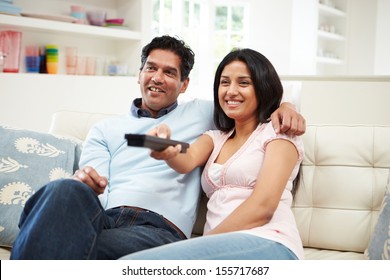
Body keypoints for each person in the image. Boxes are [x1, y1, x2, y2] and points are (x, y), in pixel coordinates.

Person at [10, 36, 305, 260]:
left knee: (63, 246)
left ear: (184, 84)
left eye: (169, 72)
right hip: (106, 217)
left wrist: (286, 107)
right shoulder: (105, 129)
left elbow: (255, 98)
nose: (158, 78)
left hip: (157, 229)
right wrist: (85, 183)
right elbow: (96, 188)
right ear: (139, 74)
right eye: (151, 68)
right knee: (64, 188)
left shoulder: (205, 114)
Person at [120, 48, 304, 260]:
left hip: (270, 241)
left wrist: (200, 244)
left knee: (133, 264)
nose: (231, 91)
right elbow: (186, 159)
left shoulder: (279, 133)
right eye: (224, 82)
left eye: (243, 83)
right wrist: (166, 150)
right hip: (220, 247)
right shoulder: (215, 138)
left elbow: (263, 208)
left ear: (263, 88)